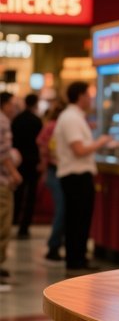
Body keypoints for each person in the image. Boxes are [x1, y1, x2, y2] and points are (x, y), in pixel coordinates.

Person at [54, 82, 112, 273]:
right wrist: (101, 142)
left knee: (78, 218)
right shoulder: (71, 118)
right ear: (80, 96)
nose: (91, 98)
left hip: (75, 175)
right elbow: (79, 149)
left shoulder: (74, 117)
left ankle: (78, 258)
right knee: (78, 219)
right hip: (76, 176)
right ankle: (75, 260)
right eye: (88, 94)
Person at [37, 99, 66, 261]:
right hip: (56, 170)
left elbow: (41, 144)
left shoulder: (49, 126)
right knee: (62, 209)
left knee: (62, 209)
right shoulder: (56, 127)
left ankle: (55, 244)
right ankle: (54, 245)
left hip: (52, 170)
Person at [11, 92, 43, 238]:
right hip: (33, 161)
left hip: (18, 161)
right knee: (30, 195)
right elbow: (40, 143)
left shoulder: (16, 120)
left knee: (18, 193)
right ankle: (24, 228)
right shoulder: (37, 121)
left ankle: (13, 220)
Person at [0, 92, 23, 281]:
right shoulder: (3, 121)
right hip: (2, 182)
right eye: (12, 104)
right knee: (3, 224)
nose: (14, 107)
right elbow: (3, 153)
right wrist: (14, 172)